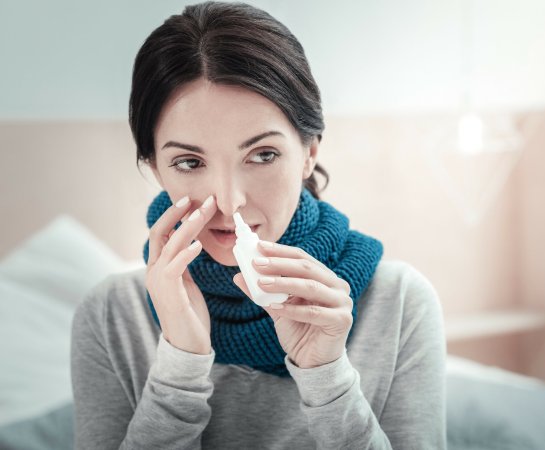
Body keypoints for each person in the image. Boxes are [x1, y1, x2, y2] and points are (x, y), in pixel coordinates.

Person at [70, 2, 447, 448]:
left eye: (263, 155)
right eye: (189, 162)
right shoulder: (112, 316)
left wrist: (326, 378)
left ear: (309, 151)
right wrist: (181, 366)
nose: (230, 203)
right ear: (155, 168)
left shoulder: (399, 302)